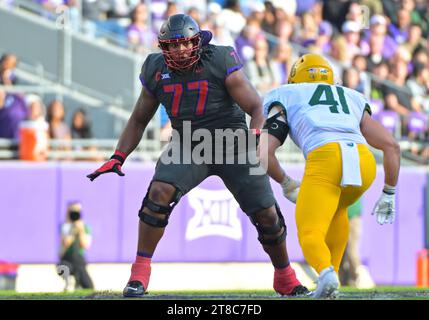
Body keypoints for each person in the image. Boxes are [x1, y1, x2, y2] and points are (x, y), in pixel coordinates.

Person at [87, 13, 308, 298]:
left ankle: (285, 276)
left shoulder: (219, 59)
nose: (179, 50)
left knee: (267, 214)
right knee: (159, 193)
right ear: (162, 47)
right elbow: (139, 118)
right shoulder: (156, 68)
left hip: (234, 144)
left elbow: (256, 106)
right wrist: (119, 155)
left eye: (184, 43)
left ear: (197, 42)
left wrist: (255, 137)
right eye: (172, 45)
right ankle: (139, 273)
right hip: (189, 144)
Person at [260, 53, 400, 298]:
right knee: (339, 210)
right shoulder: (351, 96)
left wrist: (285, 182)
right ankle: (332, 279)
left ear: (296, 79)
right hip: (363, 161)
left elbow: (263, 151)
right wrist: (389, 192)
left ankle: (326, 273)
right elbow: (391, 145)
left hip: (327, 157)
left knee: (310, 231)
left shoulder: (287, 94)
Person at [339, 198, 375, 289]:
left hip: (352, 216)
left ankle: (357, 278)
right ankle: (343, 281)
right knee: (339, 252)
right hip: (339, 215)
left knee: (352, 251)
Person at [59, 201, 94, 290]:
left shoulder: (85, 227)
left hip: (79, 262)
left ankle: (77, 283)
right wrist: (72, 230)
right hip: (66, 260)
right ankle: (70, 282)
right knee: (64, 269)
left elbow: (85, 245)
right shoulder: (65, 226)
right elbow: (66, 243)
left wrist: (81, 230)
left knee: (89, 286)